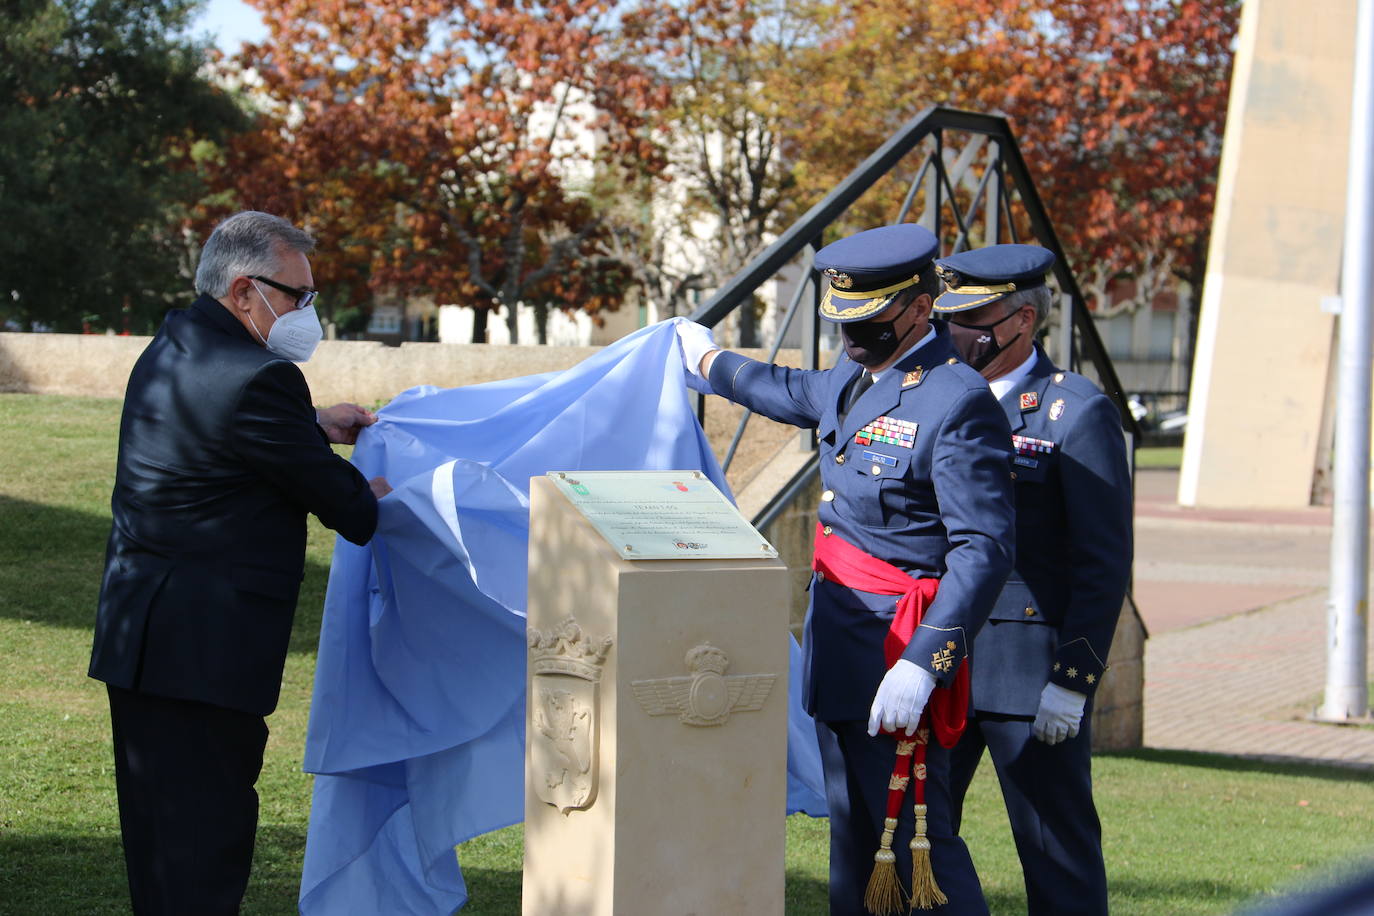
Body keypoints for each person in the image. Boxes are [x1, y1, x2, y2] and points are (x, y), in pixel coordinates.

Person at [676, 223, 1015, 914]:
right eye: (844, 319)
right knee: (859, 844)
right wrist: (708, 362)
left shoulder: (956, 400)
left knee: (922, 845)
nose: (853, 335)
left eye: (870, 319)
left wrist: (926, 660)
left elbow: (984, 548)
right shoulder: (855, 380)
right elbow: (785, 389)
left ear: (919, 309)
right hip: (841, 648)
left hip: (898, 654)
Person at [88, 211, 392, 915]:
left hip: (141, 637)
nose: (308, 313)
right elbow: (353, 510)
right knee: (203, 847)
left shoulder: (176, 341)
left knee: (161, 845)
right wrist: (379, 483)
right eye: (298, 295)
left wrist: (310, 426)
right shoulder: (263, 380)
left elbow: (220, 426)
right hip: (203, 654)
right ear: (243, 290)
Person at [934, 244, 1132, 916]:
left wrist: (1073, 683)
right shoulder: (935, 398)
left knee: (1057, 858)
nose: (953, 330)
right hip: (937, 663)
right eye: (949, 314)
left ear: (1020, 320)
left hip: (1029, 676)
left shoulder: (1074, 412)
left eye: (971, 316)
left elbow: (1101, 563)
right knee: (912, 839)